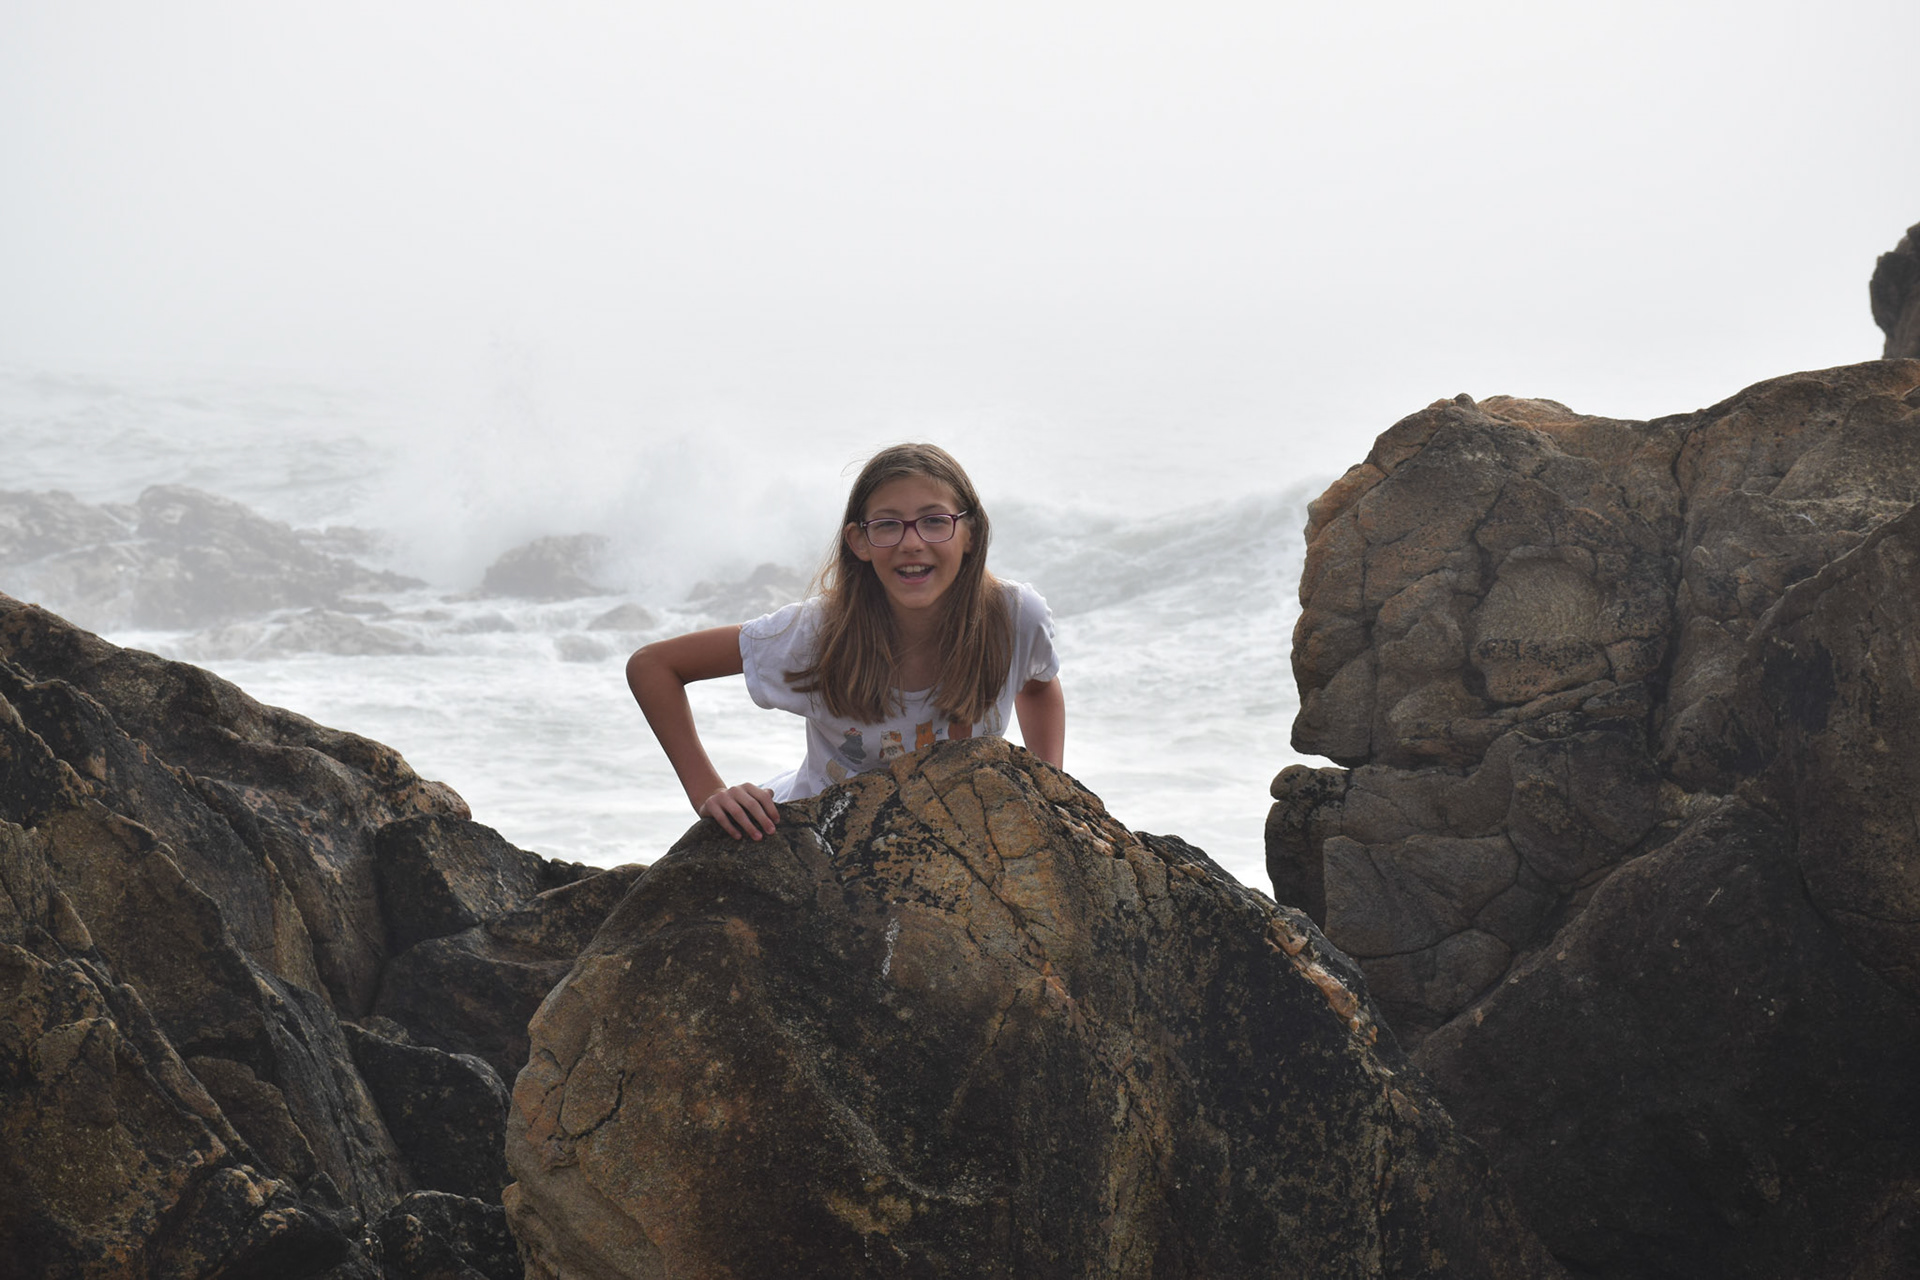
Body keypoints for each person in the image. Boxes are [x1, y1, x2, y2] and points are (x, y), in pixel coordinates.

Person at [626, 443, 1066, 841]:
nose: (912, 543)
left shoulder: (1013, 617)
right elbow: (653, 666)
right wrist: (708, 791)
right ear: (859, 541)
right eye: (888, 525)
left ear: (970, 533)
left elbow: (1038, 686)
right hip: (819, 840)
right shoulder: (820, 633)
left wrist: (1049, 788)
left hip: (956, 836)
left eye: (935, 521)